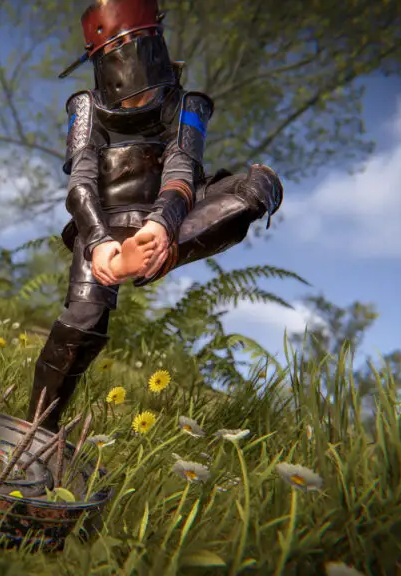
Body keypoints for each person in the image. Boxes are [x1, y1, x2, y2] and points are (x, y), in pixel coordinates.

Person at [27, 0, 284, 432]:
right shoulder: (87, 108)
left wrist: (161, 225)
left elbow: (181, 170)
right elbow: (81, 185)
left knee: (258, 186)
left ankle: (151, 254)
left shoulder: (186, 105)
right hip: (104, 222)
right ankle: (35, 430)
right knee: (83, 322)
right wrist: (100, 241)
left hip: (171, 216)